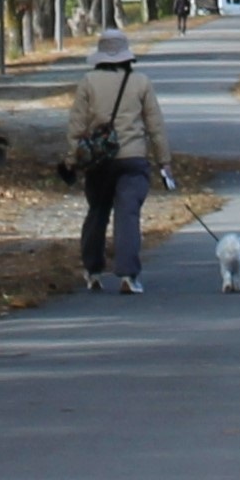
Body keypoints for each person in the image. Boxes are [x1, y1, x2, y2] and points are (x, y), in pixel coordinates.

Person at [67, 26, 167, 294]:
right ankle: (128, 275)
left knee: (97, 212)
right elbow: (155, 126)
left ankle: (93, 270)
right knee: (128, 215)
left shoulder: (88, 82)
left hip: (99, 160)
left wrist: (71, 160)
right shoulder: (141, 82)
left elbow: (76, 125)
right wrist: (163, 161)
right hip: (133, 159)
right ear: (126, 55)